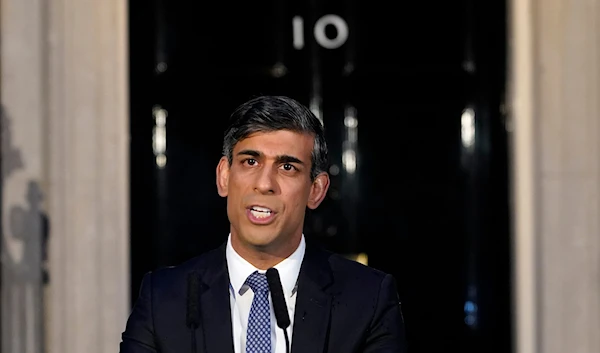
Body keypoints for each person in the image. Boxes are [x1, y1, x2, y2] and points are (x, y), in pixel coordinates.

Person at [120, 95, 407, 353]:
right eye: (250, 162)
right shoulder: (163, 297)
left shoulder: (368, 298)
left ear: (316, 190)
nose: (264, 184)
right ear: (224, 176)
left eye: (287, 167)